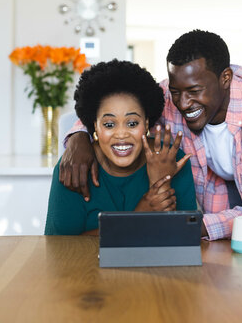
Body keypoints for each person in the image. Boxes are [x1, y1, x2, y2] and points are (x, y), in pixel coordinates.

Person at [60, 30, 242, 240]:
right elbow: (118, 110)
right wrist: (78, 137)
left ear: (225, 78)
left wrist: (190, 224)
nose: (183, 103)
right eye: (176, 91)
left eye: (194, 91)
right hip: (221, 200)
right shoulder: (171, 94)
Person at [45, 59, 196, 235]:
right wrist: (139, 216)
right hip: (85, 264)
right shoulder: (75, 166)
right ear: (95, 126)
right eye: (109, 124)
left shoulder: (170, 157)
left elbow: (184, 238)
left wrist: (160, 182)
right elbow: (59, 249)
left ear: (146, 124)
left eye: (132, 123)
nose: (122, 134)